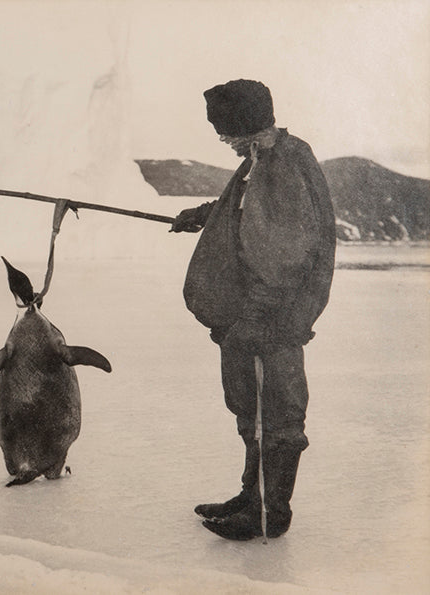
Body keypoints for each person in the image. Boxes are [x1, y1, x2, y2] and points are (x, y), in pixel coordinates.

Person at [171, 80, 336, 540]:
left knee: (278, 414)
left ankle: (269, 513)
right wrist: (205, 214)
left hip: (274, 316)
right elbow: (249, 210)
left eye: (227, 132)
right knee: (250, 408)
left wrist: (258, 317)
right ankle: (251, 496)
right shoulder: (258, 161)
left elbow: (287, 251)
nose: (223, 141)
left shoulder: (285, 162)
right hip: (247, 314)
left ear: (248, 126)